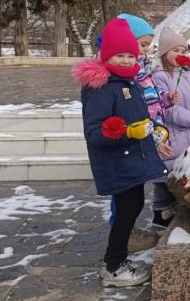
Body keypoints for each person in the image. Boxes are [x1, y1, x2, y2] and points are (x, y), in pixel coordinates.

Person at [71, 17, 167, 287]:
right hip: (117, 161)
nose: (126, 60)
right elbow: (95, 131)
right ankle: (112, 266)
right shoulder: (102, 86)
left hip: (131, 159)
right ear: (106, 56)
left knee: (133, 206)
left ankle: (119, 258)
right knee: (126, 210)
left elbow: (137, 117)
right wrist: (127, 132)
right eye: (119, 55)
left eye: (130, 55)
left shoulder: (127, 82)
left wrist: (153, 130)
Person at [116, 14, 174, 253]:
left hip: (148, 133)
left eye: (148, 45)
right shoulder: (127, 74)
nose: (145, 50)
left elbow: (151, 100)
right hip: (131, 137)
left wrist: (165, 100)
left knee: (136, 194)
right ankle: (121, 236)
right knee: (125, 196)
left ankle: (128, 230)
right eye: (142, 44)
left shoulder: (143, 70)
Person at [151, 27, 190, 228]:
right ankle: (161, 217)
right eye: (175, 50)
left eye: (183, 51)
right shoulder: (159, 77)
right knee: (166, 181)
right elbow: (164, 108)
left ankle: (179, 215)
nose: (180, 55)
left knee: (181, 178)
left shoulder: (186, 75)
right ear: (164, 53)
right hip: (173, 136)